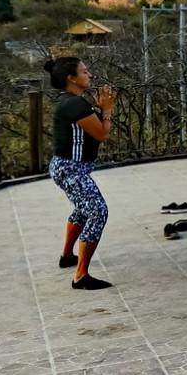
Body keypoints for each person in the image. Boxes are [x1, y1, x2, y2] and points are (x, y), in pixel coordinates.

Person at [45, 57, 115, 290]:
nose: (90, 75)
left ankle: (67, 256)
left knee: (82, 210)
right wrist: (106, 110)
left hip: (66, 167)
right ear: (71, 78)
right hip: (71, 168)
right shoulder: (75, 105)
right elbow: (102, 134)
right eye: (85, 72)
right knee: (98, 211)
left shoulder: (72, 102)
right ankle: (80, 275)